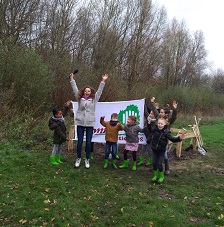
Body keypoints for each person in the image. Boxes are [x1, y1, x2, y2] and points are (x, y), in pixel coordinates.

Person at [70, 72, 108, 168]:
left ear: (91, 93)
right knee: (79, 142)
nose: (87, 92)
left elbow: (99, 91)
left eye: (89, 91)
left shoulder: (94, 100)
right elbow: (75, 90)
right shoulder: (79, 99)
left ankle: (87, 159)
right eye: (86, 91)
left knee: (88, 142)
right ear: (83, 92)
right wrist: (72, 80)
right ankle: (78, 158)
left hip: (90, 123)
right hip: (80, 122)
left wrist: (103, 81)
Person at [147, 117, 184, 183]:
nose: (160, 125)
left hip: (161, 150)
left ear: (165, 125)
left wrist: (179, 138)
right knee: (154, 163)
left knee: (159, 163)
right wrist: (149, 124)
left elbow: (172, 139)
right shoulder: (155, 129)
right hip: (154, 150)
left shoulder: (166, 132)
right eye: (159, 123)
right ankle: (155, 175)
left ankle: (161, 176)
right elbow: (150, 130)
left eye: (161, 124)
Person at [149, 97, 178, 175]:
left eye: (161, 112)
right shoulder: (158, 117)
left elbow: (174, 117)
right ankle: (157, 167)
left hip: (164, 140)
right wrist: (152, 102)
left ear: (166, 114)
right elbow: (155, 110)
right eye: (160, 112)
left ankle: (167, 168)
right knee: (155, 154)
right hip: (156, 139)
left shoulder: (168, 121)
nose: (160, 113)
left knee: (164, 155)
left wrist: (174, 109)